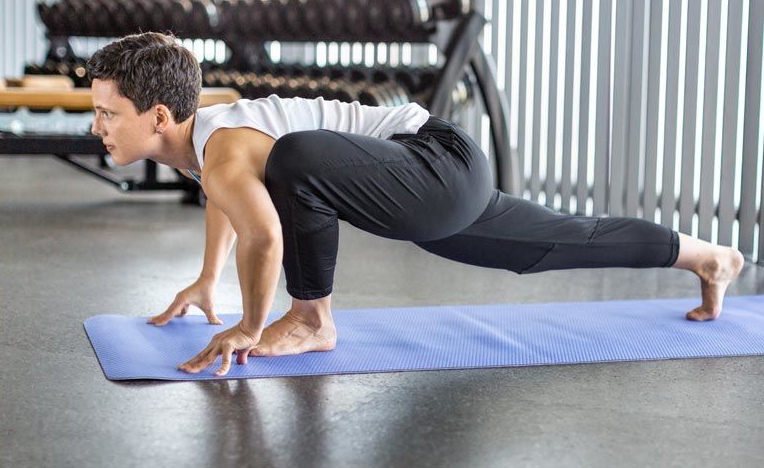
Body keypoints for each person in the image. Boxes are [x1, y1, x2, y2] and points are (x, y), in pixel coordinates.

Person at [87, 32, 745, 377]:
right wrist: (207, 280)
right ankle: (707, 257)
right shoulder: (214, 146)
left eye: (107, 113)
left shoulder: (227, 145)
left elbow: (263, 233)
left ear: (161, 115)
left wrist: (254, 325)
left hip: (436, 161)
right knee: (566, 240)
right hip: (434, 189)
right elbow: (226, 199)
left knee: (297, 159)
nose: (98, 127)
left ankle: (314, 319)